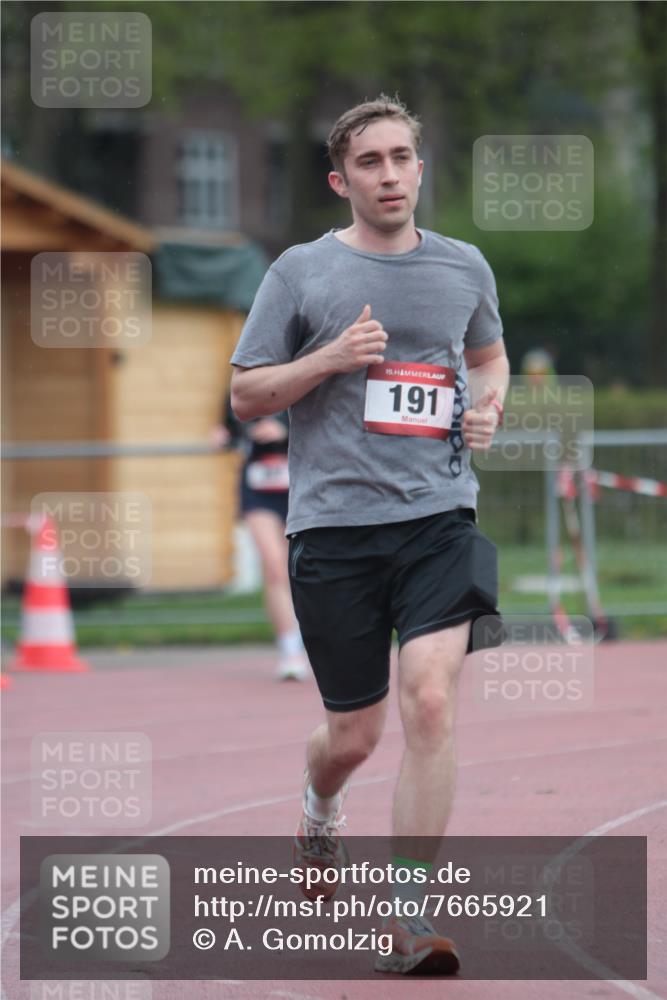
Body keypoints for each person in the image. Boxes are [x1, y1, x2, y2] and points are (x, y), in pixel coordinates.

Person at [230, 95, 509, 975]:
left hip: (437, 518)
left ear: (421, 168)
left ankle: (410, 916)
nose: (388, 175)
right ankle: (318, 806)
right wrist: (327, 360)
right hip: (335, 532)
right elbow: (246, 394)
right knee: (353, 735)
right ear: (339, 179)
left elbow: (487, 356)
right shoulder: (300, 273)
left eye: (400, 158)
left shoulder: (463, 266)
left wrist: (492, 403)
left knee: (430, 699)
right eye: (369, 163)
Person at [213, 399, 309, 681]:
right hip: (259, 487)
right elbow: (232, 426)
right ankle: (290, 650)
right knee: (274, 565)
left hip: (300, 484)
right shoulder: (239, 381)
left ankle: (311, 641)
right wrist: (223, 436)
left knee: (301, 569)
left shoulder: (306, 372)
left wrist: (284, 430)